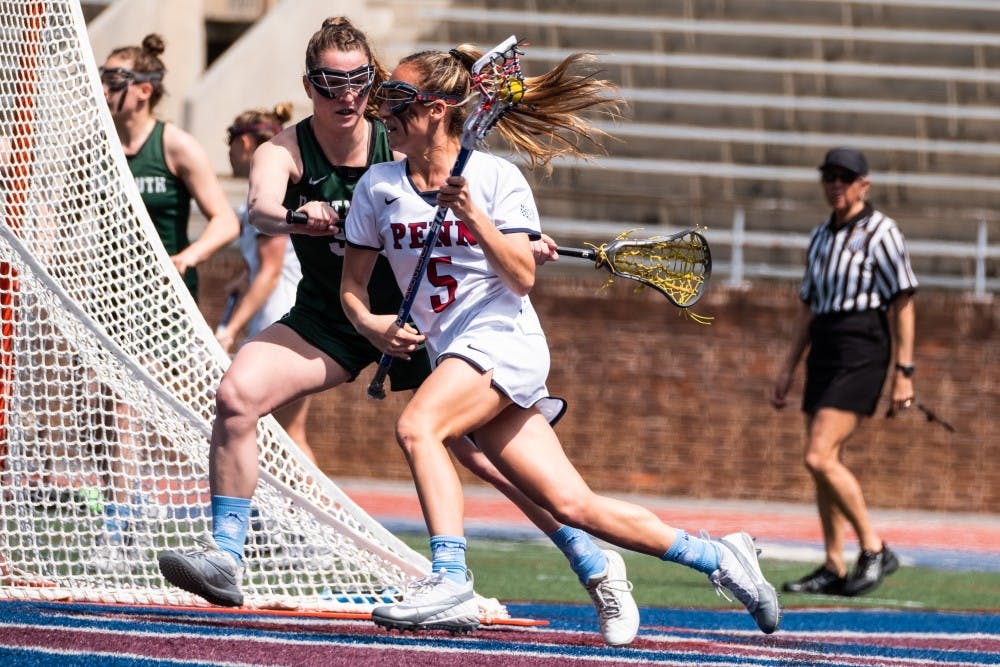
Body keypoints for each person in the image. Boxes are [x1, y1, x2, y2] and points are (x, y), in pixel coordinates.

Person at [156, 18, 639, 647]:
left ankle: (593, 563)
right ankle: (225, 555)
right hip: (338, 314)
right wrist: (302, 215)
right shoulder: (287, 150)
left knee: (485, 456)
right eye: (330, 82)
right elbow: (261, 210)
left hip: (427, 321)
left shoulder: (400, 134)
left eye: (360, 81)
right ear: (309, 85)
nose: (348, 95)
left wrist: (513, 240)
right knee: (236, 394)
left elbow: (469, 203)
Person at [340, 44, 781, 638]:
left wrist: (474, 217)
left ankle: (449, 579)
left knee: (419, 427)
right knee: (575, 506)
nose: (383, 110)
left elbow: (521, 277)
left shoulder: (495, 178)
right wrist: (372, 325)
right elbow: (352, 290)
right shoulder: (378, 186)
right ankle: (720, 556)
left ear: (437, 109)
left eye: (397, 98)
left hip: (502, 340)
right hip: (453, 353)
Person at [94, 34, 240, 564]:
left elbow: (224, 220)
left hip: (160, 300)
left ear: (144, 89)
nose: (103, 89)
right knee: (101, 410)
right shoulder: (98, 145)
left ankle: (123, 528)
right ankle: (127, 511)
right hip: (106, 292)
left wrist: (188, 257)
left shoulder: (173, 144)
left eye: (114, 79)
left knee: (128, 404)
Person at [770, 147, 917, 597]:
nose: (836, 184)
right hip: (825, 347)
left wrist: (904, 371)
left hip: (863, 346)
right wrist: (788, 367)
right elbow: (807, 307)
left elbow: (903, 301)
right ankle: (834, 563)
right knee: (824, 463)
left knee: (818, 455)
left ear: (863, 185)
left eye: (845, 177)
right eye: (829, 176)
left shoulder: (881, 231)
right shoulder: (820, 236)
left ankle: (874, 548)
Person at [217, 102, 314, 459]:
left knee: (286, 434)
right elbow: (273, 260)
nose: (228, 154)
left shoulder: (267, 198)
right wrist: (243, 276)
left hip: (281, 321)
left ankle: (310, 499)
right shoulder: (270, 194)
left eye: (229, 144)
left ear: (244, 144)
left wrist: (231, 329)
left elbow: (272, 271)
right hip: (289, 319)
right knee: (285, 433)